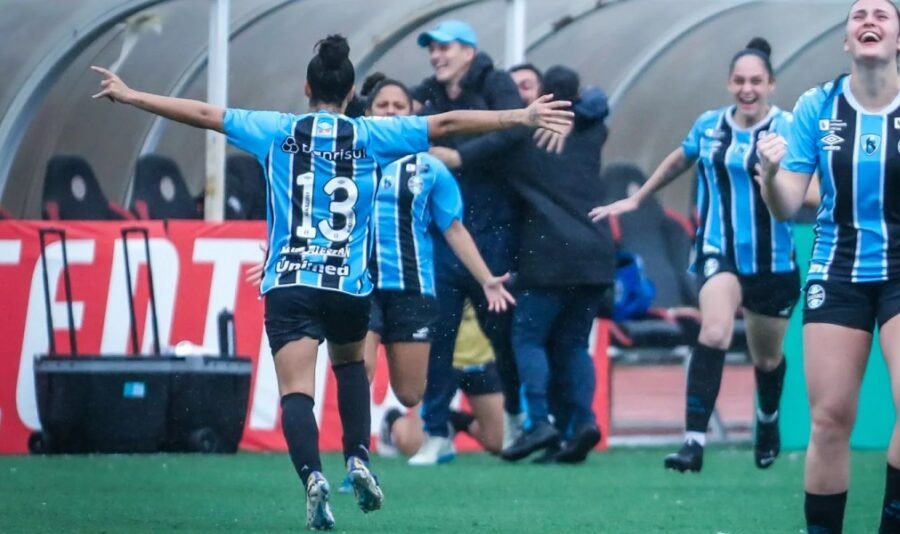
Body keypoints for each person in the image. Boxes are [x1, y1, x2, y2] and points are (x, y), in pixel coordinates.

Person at [90, 34, 572, 530]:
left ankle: (312, 478)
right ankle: (358, 458)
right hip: (348, 285)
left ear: (307, 88)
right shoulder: (371, 135)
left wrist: (132, 95)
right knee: (350, 368)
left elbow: (203, 114)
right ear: (352, 94)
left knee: (297, 391)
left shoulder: (275, 129)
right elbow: (446, 124)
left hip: (290, 282)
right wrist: (520, 116)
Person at [756, 1, 900, 532]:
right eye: (858, 15)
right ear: (847, 40)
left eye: (881, 14)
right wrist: (769, 175)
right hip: (837, 272)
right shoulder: (816, 106)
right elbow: (785, 205)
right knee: (830, 421)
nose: (868, 20)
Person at [591, 38, 798, 473]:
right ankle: (693, 442)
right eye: (739, 81)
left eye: (756, 81)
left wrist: (776, 178)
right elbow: (679, 159)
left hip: (773, 260)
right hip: (718, 249)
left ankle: (767, 418)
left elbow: (809, 191)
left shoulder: (790, 129)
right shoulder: (709, 125)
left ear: (771, 84)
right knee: (715, 330)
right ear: (729, 83)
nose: (747, 89)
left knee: (766, 358)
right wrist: (637, 198)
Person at [411, 19, 533, 459]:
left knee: (503, 335)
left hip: (494, 233)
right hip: (444, 234)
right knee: (438, 336)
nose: (436, 56)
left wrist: (461, 156)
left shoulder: (495, 83)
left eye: (444, 47)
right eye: (432, 49)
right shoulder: (429, 95)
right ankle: (436, 433)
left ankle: (517, 420)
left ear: (469, 51)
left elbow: (516, 129)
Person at [501, 65, 613, 464]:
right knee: (573, 344)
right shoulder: (595, 130)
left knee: (528, 339)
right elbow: (599, 99)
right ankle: (583, 422)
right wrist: (578, 111)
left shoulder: (523, 138)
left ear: (542, 95)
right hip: (595, 252)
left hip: (546, 254)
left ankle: (539, 421)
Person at [378, 301, 506, 461]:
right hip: (438, 361)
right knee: (414, 444)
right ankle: (392, 419)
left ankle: (456, 421)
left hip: (479, 359)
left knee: (499, 442)